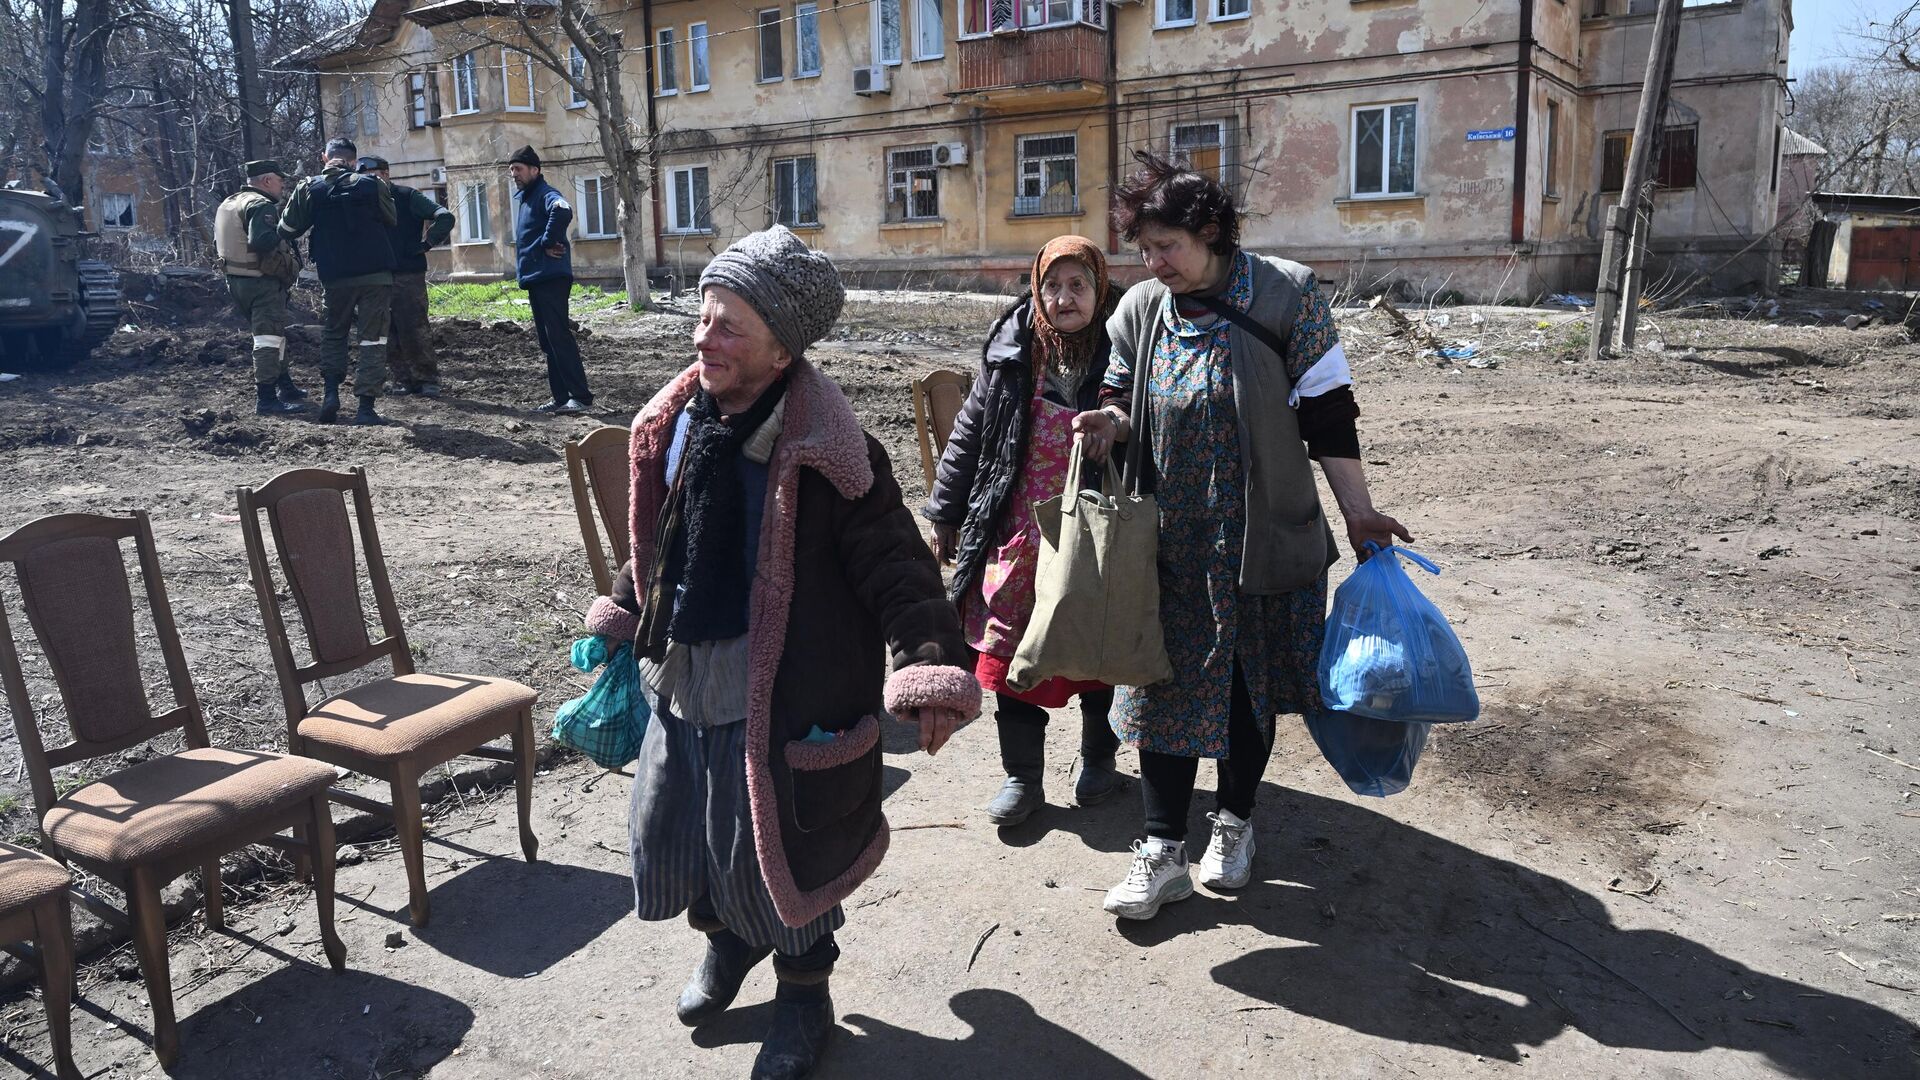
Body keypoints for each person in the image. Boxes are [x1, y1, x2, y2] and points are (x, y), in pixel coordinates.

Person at [584, 225, 979, 1079]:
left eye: (728, 326)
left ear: (779, 347)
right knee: (680, 834)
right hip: (684, 684)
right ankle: (727, 945)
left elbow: (898, 566)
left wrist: (928, 662)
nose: (704, 339)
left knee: (779, 858)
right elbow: (668, 544)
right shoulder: (683, 423)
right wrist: (623, 606)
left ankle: (804, 993)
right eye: (702, 318)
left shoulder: (829, 452)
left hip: (785, 698)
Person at [1072, 154, 1412, 920]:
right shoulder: (1140, 311)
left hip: (1263, 539)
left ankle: (1234, 824)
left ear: (1214, 233)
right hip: (1168, 545)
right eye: (1145, 250)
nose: (1153, 265)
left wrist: (1357, 510)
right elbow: (1122, 392)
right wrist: (1110, 422)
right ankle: (1161, 850)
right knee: (1160, 689)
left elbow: (1328, 411)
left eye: (1168, 248)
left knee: (1244, 690)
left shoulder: (1289, 293)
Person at [922, 236, 1126, 827]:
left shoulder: (1121, 347)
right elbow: (968, 434)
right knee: (1011, 659)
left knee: (1097, 650)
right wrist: (946, 512)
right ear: (1036, 291)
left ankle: (1098, 760)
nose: (1065, 299)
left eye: (1078, 286)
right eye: (1052, 286)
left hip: (1095, 535)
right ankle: (1022, 777)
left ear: (1099, 289)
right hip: (1018, 536)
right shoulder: (1014, 350)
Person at [279, 136, 397, 426]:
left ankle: (331, 394)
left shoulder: (309, 188)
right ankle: (365, 408)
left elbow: (288, 227)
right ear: (354, 161)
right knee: (372, 339)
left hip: (334, 277)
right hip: (375, 274)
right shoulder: (373, 185)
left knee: (334, 333)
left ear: (324, 158)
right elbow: (391, 219)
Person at [213, 159, 306, 416]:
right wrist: (286, 228)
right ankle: (266, 399)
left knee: (275, 334)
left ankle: (285, 385)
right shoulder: (260, 205)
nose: (282, 185)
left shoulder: (230, 202)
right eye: (280, 180)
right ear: (267, 181)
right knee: (268, 339)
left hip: (237, 279)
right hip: (261, 281)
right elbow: (262, 240)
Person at [357, 156, 455, 397]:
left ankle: (426, 379)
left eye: (373, 175)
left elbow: (444, 217)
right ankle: (401, 379)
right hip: (376, 275)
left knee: (413, 327)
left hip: (407, 275)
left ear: (386, 174)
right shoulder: (360, 202)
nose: (369, 181)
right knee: (386, 331)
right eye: (364, 177)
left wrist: (428, 242)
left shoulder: (406, 196)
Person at [507, 145, 591, 415]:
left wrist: (547, 241)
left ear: (535, 170)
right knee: (548, 340)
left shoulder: (546, 194)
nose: (514, 174)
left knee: (559, 336)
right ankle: (560, 397)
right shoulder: (527, 198)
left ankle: (580, 396)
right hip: (536, 278)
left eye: (518, 169)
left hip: (550, 277)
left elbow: (563, 210)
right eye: (511, 170)